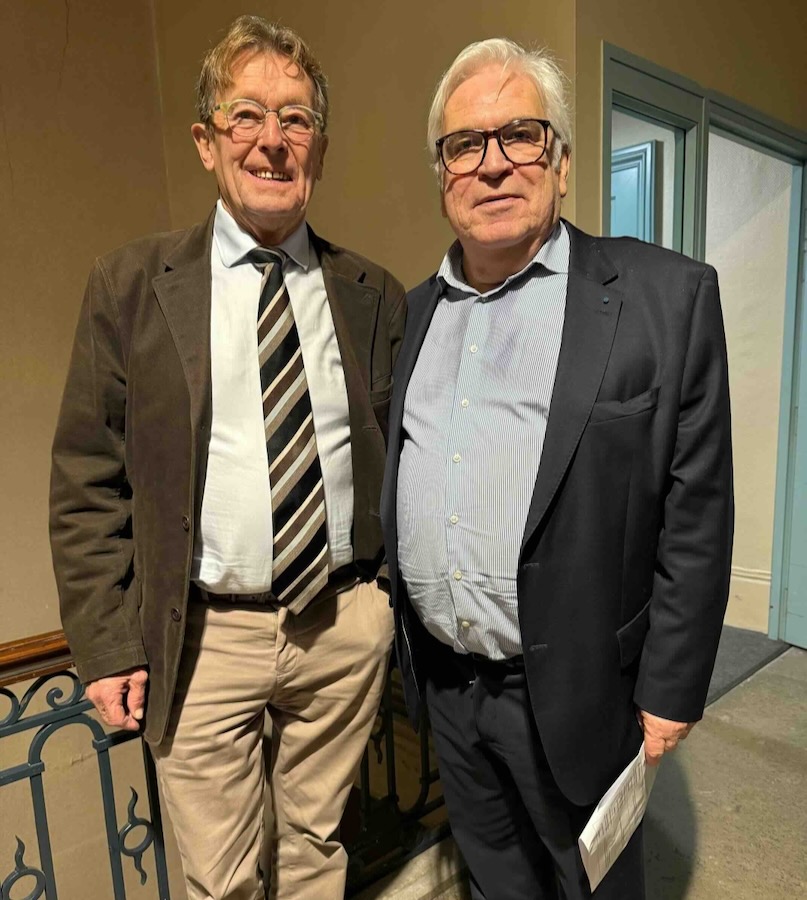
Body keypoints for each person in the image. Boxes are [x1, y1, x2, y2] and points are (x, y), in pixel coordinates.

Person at [50, 15, 405, 900]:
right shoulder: (131, 287)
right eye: (246, 115)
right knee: (220, 881)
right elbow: (87, 479)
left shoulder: (372, 294)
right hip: (201, 635)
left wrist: (382, 603)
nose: (271, 141)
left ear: (319, 147)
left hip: (341, 623)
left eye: (296, 119)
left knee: (319, 850)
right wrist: (107, 646)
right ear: (206, 142)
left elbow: (406, 456)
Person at [380, 37, 733, 899]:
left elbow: (695, 511)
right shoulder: (408, 316)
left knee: (593, 886)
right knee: (496, 881)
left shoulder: (664, 297)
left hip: (582, 691)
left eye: (520, 135)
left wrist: (672, 686)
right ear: (441, 174)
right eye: (465, 144)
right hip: (450, 688)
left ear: (562, 162)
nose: (493, 163)